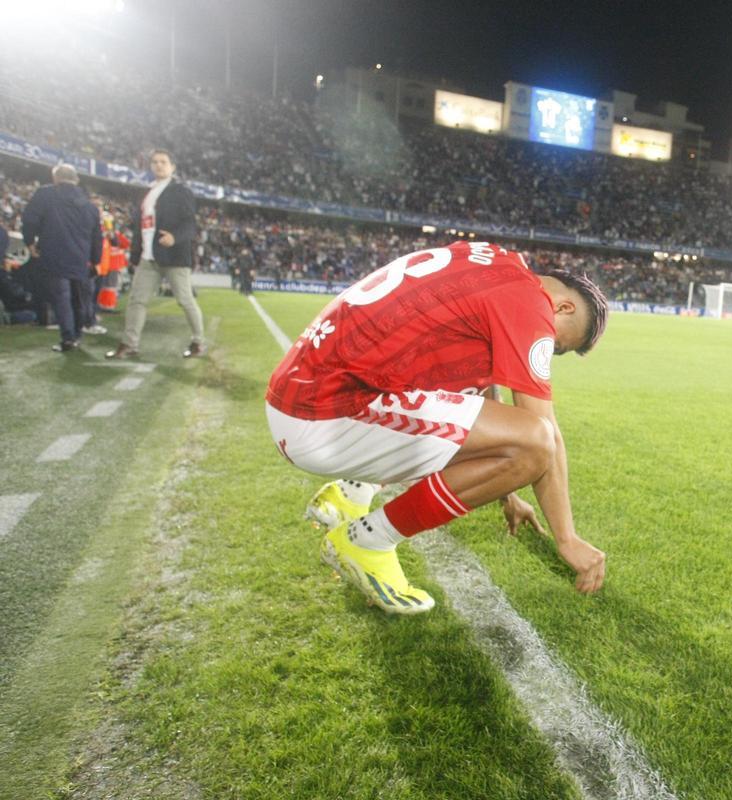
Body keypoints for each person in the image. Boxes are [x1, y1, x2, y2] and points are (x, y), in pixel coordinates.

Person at [265, 240, 609, 614]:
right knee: (535, 442)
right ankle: (368, 541)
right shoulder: (530, 304)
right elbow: (544, 434)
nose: (548, 347)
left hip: (304, 391)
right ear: (563, 307)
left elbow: (481, 398)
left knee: (464, 394)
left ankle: (350, 494)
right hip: (322, 416)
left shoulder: (494, 261)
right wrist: (567, 538)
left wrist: (507, 492)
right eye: (556, 344)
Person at [106, 149, 203, 359]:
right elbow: (141, 228)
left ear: (172, 167)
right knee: (136, 300)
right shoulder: (147, 193)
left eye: (163, 162)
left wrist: (174, 237)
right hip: (148, 258)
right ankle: (129, 344)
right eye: (155, 162)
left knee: (185, 300)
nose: (159, 165)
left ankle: (198, 342)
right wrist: (135, 255)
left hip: (174, 257)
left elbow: (190, 224)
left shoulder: (179, 191)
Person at [20, 164, 102, 352]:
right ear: (77, 179)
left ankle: (68, 338)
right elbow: (97, 236)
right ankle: (77, 335)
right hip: (81, 259)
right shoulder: (90, 206)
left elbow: (29, 220)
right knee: (78, 299)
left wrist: (30, 243)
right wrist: (95, 260)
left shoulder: (45, 195)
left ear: (55, 178)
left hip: (53, 255)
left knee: (61, 298)